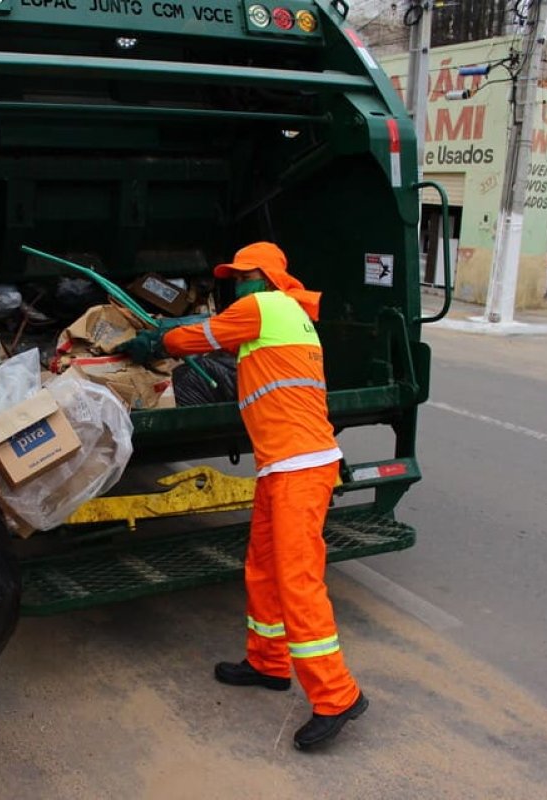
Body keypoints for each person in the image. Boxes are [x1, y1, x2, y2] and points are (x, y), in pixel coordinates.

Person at [119, 242, 368, 751]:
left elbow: (201, 335)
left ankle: (337, 695)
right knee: (263, 566)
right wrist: (172, 333)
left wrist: (159, 341)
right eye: (234, 277)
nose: (237, 283)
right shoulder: (286, 314)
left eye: (243, 275)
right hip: (284, 466)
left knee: (297, 581)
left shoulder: (264, 306)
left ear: (266, 276)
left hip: (300, 467)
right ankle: (268, 662)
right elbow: (219, 338)